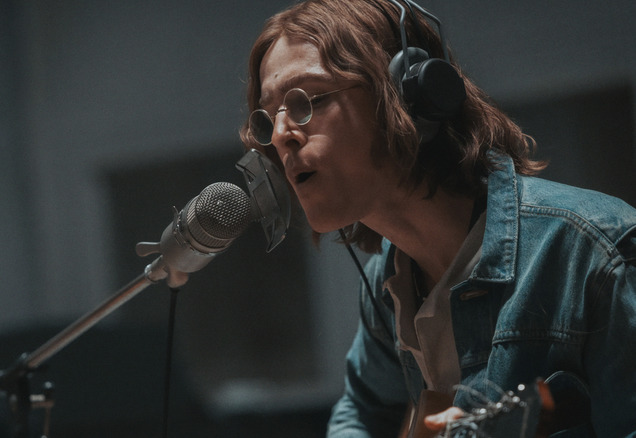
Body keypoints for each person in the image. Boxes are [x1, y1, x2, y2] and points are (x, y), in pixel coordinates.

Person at [238, 0, 636, 437]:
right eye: (268, 116)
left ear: (409, 96)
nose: (279, 137)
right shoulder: (386, 284)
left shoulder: (592, 253)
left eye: (306, 100)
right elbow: (362, 411)